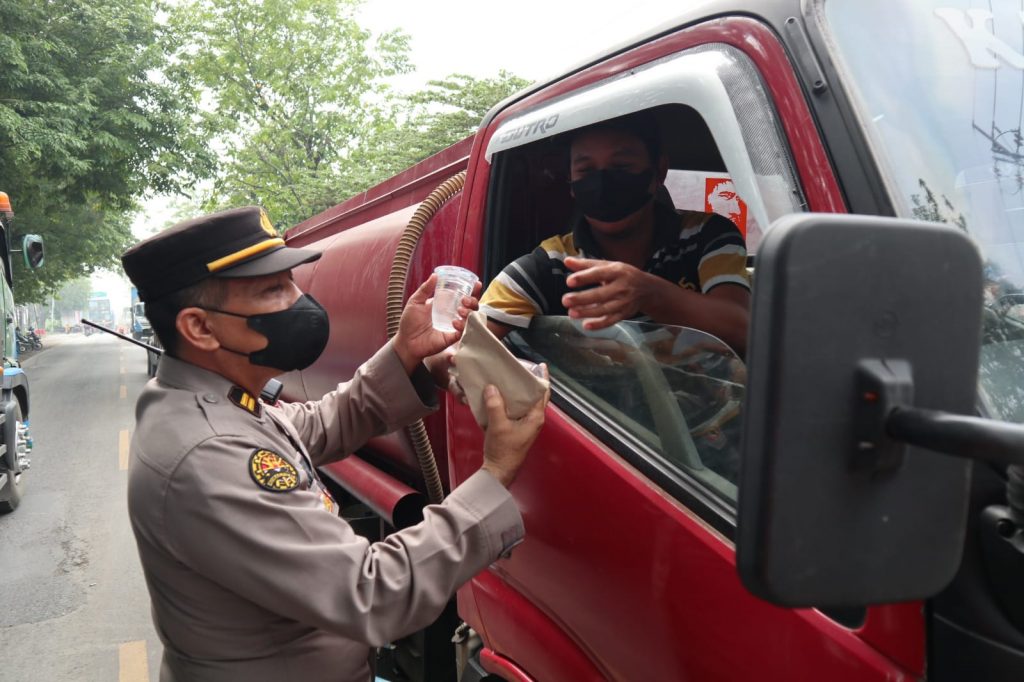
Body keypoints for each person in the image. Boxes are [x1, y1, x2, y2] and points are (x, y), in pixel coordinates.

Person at [120, 206, 548, 682]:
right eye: (273, 290)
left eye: (292, 282)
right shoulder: (209, 453)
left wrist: (409, 356)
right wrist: (495, 474)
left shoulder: (214, 402)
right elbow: (371, 593)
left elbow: (319, 425)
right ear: (199, 327)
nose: (299, 301)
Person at [478, 111, 751, 356]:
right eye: (586, 170)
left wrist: (651, 293)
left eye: (621, 166)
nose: (603, 182)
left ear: (659, 171)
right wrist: (455, 331)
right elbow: (470, 345)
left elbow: (744, 329)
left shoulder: (705, 234)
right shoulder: (550, 264)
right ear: (571, 184)